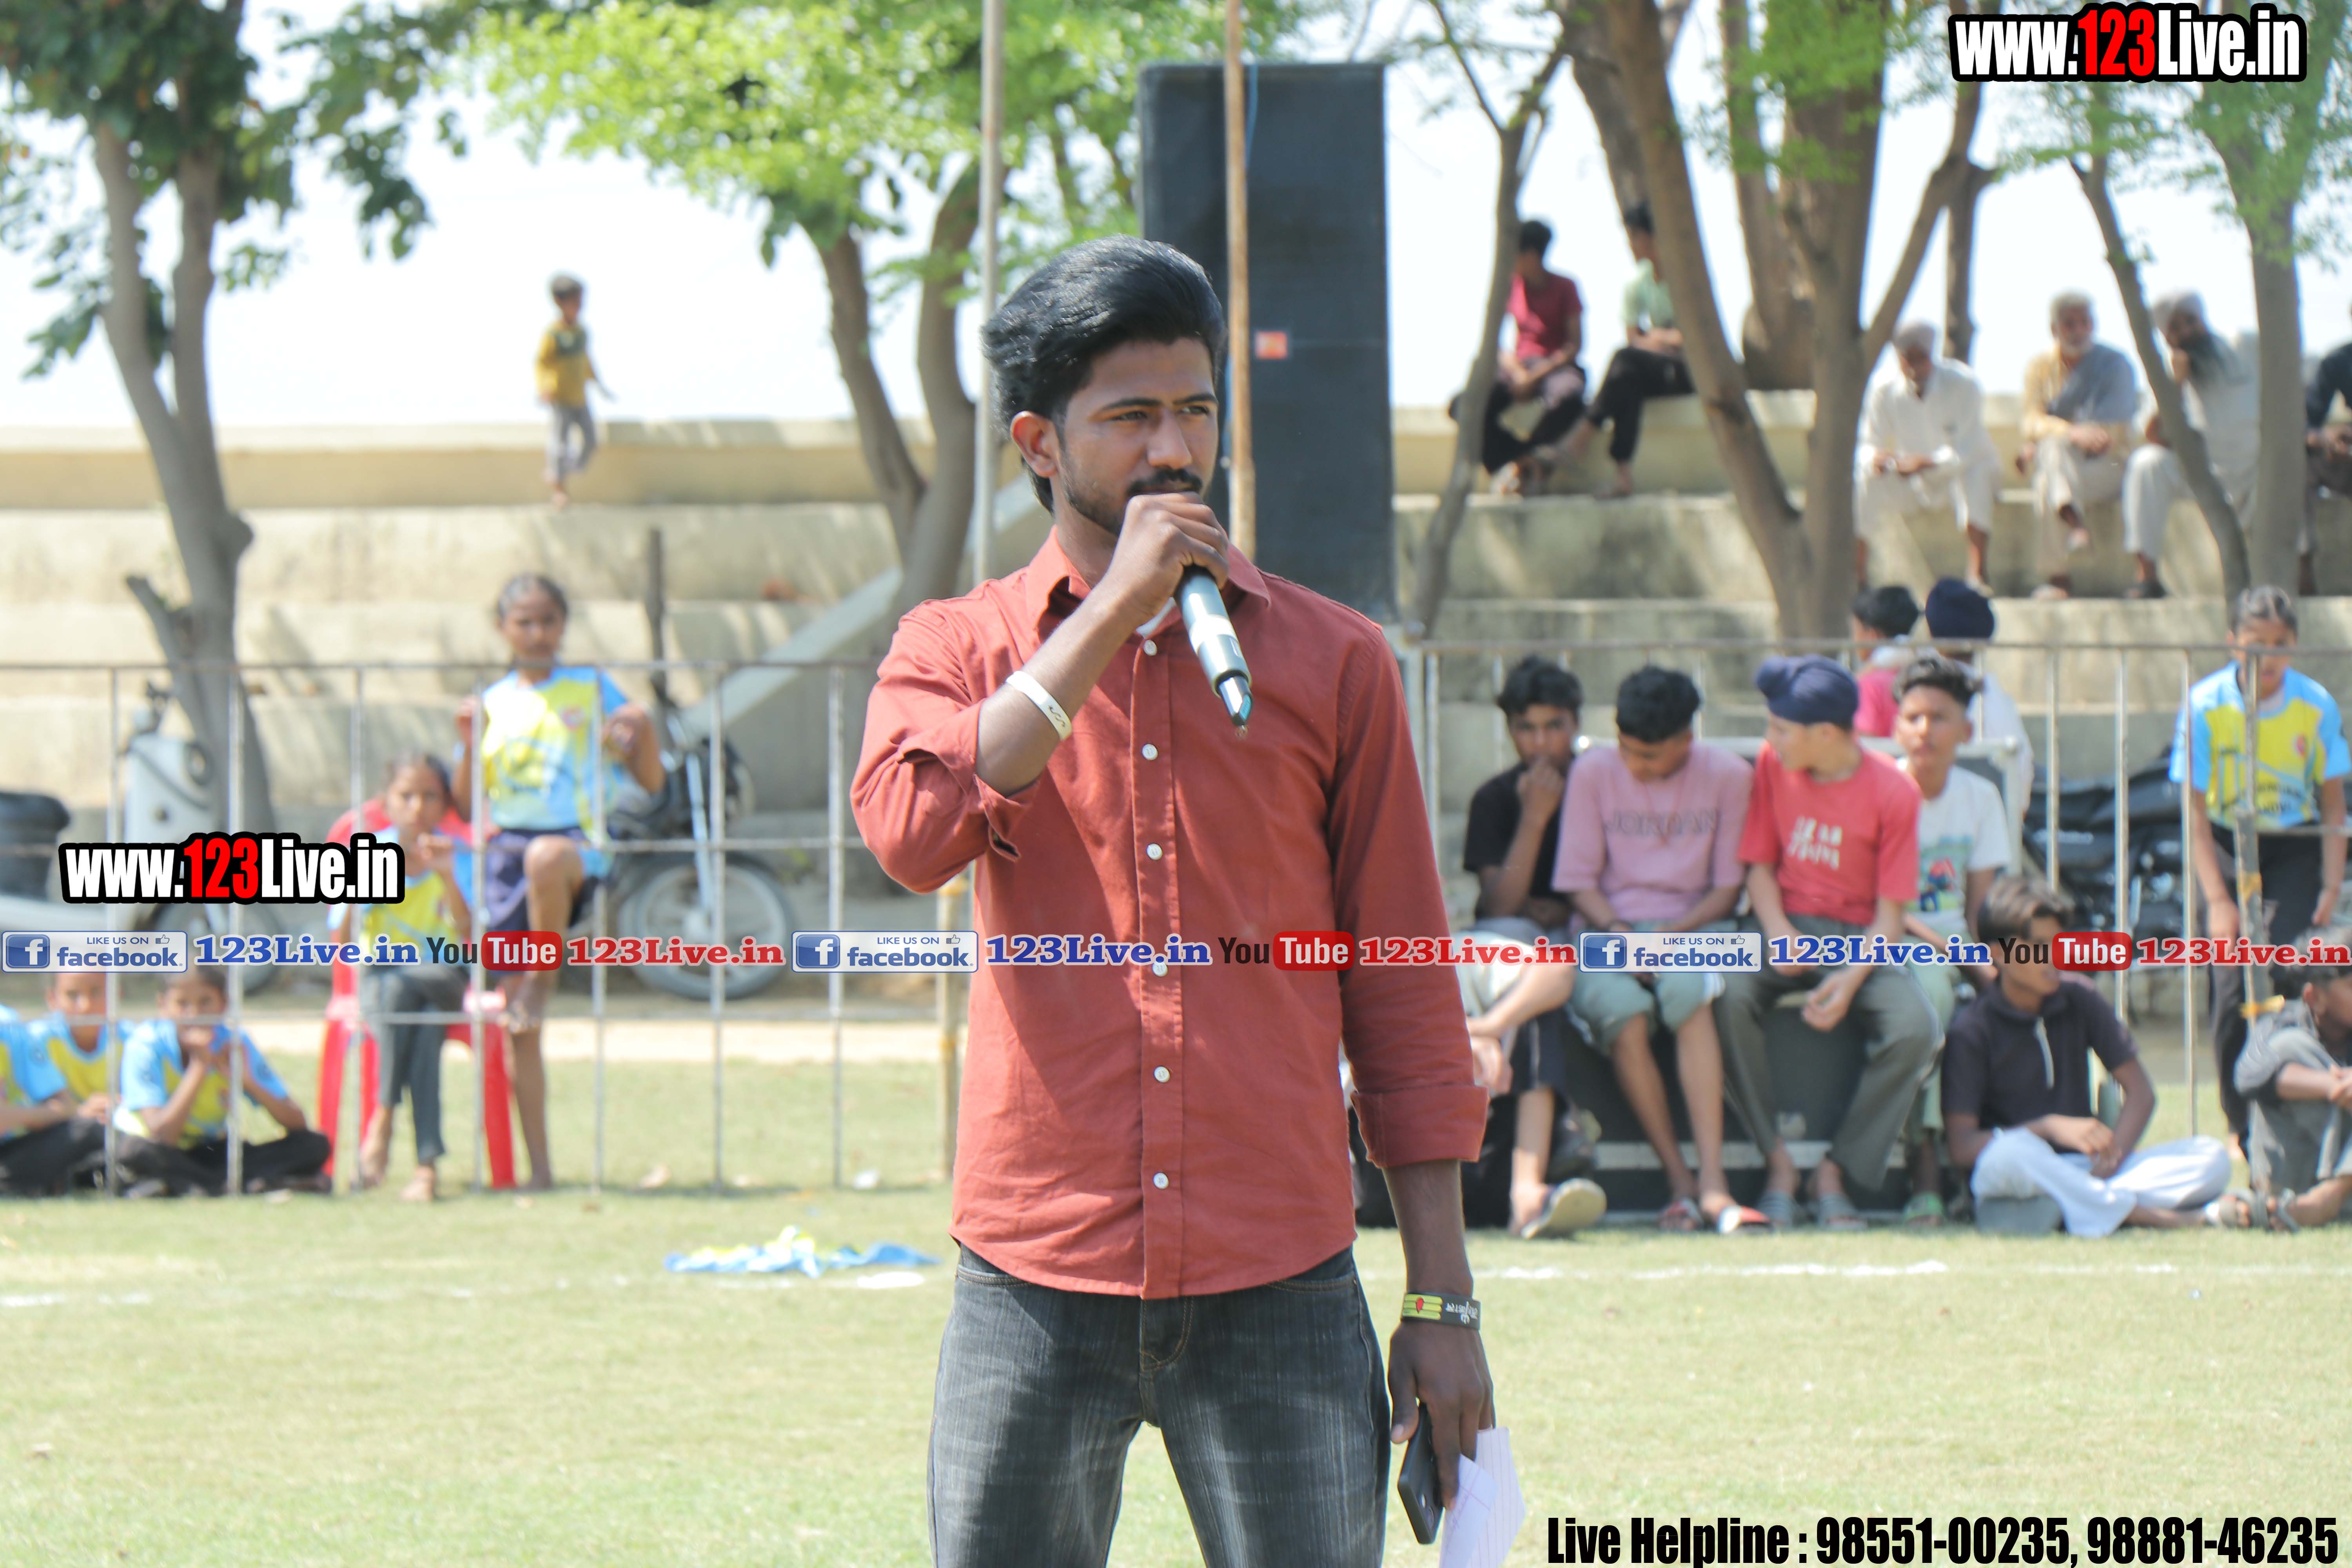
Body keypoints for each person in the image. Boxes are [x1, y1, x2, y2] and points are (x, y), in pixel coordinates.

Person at [853, 236, 1494, 1565]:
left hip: (1281, 1272)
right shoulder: (956, 646)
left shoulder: (1337, 660)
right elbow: (910, 836)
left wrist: (1443, 1298)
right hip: (1034, 1273)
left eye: (1197, 409)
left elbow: (1403, 991)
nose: (1175, 449)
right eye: (1132, 416)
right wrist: (1104, 618)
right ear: (1039, 443)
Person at [1473, 666, 1764, 1233]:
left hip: (1697, 931)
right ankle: (1680, 1183)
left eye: (1649, 756)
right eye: (1626, 749)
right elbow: (1579, 881)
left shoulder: (1731, 775)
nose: (1634, 764)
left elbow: (1728, 890)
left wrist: (1669, 938)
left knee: (1692, 996)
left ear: (1687, 738)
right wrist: (1623, 934)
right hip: (1608, 932)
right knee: (1623, 1015)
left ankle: (1714, 1185)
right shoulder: (1594, 771)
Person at [454, 572, 665, 1191]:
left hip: (576, 848)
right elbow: (465, 805)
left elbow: (651, 781)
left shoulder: (591, 688)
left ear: (563, 625)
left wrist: (641, 729)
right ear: (503, 628)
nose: (538, 633)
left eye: (549, 621)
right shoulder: (491, 701)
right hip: (505, 861)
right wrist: (468, 741)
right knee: (520, 1029)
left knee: (547, 858)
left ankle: (544, 978)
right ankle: (540, 1172)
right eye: (525, 622)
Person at [1714, 655, 1941, 1230]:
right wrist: (1779, 934)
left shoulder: (1895, 792)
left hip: (1861, 940)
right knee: (1725, 994)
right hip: (1781, 923)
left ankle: (1835, 1171)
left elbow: (1891, 918)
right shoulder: (1774, 763)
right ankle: (1778, 1163)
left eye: (1781, 728)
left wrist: (1851, 978)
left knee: (1916, 1028)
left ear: (1825, 734)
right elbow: (1759, 868)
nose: (1770, 739)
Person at [1945, 877, 2242, 1233]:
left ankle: (2074, 1208)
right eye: (2038, 946)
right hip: (2023, 1173)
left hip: (2086, 1170)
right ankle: (2147, 1215)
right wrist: (2047, 1128)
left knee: (2210, 1157)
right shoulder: (1973, 1029)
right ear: (1999, 954)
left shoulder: (2079, 997)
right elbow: (1963, 1148)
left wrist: (2111, 1159)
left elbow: (2141, 1093)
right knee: (2009, 1153)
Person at [2172, 585, 2348, 1146]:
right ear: (2233, 643)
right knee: (2230, 978)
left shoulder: (2315, 704)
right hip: (2225, 843)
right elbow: (2194, 813)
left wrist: (2330, 883)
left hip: (2293, 842)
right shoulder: (2204, 704)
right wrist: (2218, 900)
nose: (2267, 657)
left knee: (2290, 969)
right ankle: (2237, 1122)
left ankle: (2292, 1112)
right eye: (2255, 643)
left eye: (2279, 644)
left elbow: (2333, 803)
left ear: (2294, 645)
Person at [1891, 653, 2013, 1224]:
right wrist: (1959, 956)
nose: (1924, 730)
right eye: (1913, 717)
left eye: (1939, 718)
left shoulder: (1980, 797)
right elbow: (1886, 911)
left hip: (1958, 946)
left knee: (2039, 986)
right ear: (1896, 727)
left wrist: (1999, 967)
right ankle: (1925, 1161)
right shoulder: (1883, 791)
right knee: (1935, 996)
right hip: (1895, 942)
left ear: (1966, 730)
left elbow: (1981, 909)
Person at [343, 754, 472, 1203]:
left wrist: (447, 876)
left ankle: (382, 1116)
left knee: (410, 988)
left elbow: (470, 934)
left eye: (430, 796)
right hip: (384, 978)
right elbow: (341, 939)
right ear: (386, 802)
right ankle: (426, 1166)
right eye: (406, 795)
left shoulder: (457, 853)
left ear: (445, 803)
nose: (418, 806)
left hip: (443, 973)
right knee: (422, 1018)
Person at [116, 969, 330, 1196]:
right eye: (182, 1004)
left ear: (224, 1004)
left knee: (314, 1145)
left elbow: (297, 1123)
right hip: (158, 1148)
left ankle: (200, 1185)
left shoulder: (235, 1044)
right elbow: (163, 1136)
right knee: (136, 1152)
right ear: (163, 1005)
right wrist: (199, 1067)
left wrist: (248, 1082)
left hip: (209, 1148)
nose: (194, 1014)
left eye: (206, 1002)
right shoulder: (146, 1045)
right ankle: (239, 1184)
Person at [2121, 290, 2260, 601]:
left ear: (2204, 320)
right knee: (2147, 464)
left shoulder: (2244, 346)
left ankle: (2300, 576)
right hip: (2201, 474)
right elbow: (2153, 434)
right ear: (2167, 338)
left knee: (2288, 467)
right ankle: (2147, 576)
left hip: (2254, 467)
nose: (2186, 332)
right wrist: (2176, 384)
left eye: (2191, 321)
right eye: (2176, 328)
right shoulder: (2166, 373)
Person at [1545, 203, 1690, 498]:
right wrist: (1664, 339)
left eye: (1636, 236)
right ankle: (1623, 476)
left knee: (1625, 362)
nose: (1632, 244)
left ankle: (1583, 433)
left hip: (1687, 371)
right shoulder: (1639, 283)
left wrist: (1658, 337)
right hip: (1656, 366)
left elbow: (1693, 339)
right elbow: (1634, 338)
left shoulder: (1687, 277)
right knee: (1627, 379)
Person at [1853, 322, 2001, 588]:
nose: (1914, 366)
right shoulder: (1883, 389)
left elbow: (1970, 447)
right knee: (1866, 480)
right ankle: (1858, 575)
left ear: (1931, 354)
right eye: (1907, 359)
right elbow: (1867, 443)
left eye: (1920, 358)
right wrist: (1876, 459)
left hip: (1957, 473)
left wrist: (1927, 462)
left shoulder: (1963, 383)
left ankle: (1978, 574)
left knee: (1976, 473)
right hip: (1912, 480)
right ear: (1898, 358)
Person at [2018, 290, 2140, 601]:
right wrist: (2071, 433)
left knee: (2049, 471)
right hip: (2065, 468)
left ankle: (2060, 574)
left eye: (2085, 323)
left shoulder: (2114, 365)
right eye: (2070, 324)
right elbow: (2030, 419)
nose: (2078, 331)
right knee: (2052, 458)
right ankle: (2074, 529)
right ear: (2055, 329)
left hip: (2109, 465)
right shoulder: (2040, 367)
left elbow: (2112, 431)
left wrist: (2059, 436)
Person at [2234, 928, 2352, 1229]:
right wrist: (2333, 1086)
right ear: (2315, 997)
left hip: (2340, 1178)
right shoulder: (2281, 1022)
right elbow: (2248, 1075)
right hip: (2294, 1173)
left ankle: (2336, 1191)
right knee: (2289, 1048)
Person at [1462, 656, 1582, 934]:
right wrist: (1534, 817)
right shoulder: (1492, 798)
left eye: (1554, 727)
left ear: (1575, 723)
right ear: (1510, 730)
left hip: (1590, 927)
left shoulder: (1601, 787)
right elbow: (1497, 909)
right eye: (1527, 728)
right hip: (1523, 932)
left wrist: (1570, 912)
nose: (1540, 743)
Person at [1473, 220, 1586, 494]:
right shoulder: (1509, 288)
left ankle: (1531, 459)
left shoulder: (1566, 287)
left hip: (1554, 368)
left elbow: (1574, 346)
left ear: (1532, 255)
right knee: (1468, 403)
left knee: (1570, 397)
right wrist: (1519, 373)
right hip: (1519, 366)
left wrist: (1535, 376)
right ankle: (1521, 459)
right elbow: (1495, 344)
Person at [1922, 577, 2033, 814]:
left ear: (1932, 632)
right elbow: (2023, 773)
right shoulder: (1995, 695)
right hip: (2000, 820)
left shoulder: (1925, 693)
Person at [0, 1011, 104, 1196]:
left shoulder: (9, 1025)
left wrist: (16, 1116)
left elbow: (64, 1105)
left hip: (10, 1154)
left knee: (86, 1129)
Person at [537, 272, 610, 508]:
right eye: (575, 301)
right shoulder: (554, 334)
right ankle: (560, 490)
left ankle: (562, 472)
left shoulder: (581, 332)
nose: (580, 306)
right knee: (560, 444)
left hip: (580, 397)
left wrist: (597, 382)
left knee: (590, 440)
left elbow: (585, 360)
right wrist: (545, 387)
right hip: (561, 397)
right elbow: (542, 364)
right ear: (560, 302)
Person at [2305, 305, 2352, 596]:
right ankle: (2302, 568)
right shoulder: (2339, 362)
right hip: (2345, 465)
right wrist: (2328, 439)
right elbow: (2306, 424)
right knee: (2300, 463)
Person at [1851, 584, 1922, 738]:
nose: (1855, 640)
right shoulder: (1925, 672)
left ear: (1872, 635)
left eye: (1856, 631)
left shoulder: (1869, 684)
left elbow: (1865, 740)